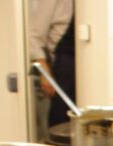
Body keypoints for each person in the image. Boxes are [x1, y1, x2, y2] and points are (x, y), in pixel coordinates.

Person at [29, 0, 75, 128]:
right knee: (61, 122)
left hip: (87, 66)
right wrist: (45, 73)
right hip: (64, 65)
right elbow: (33, 36)